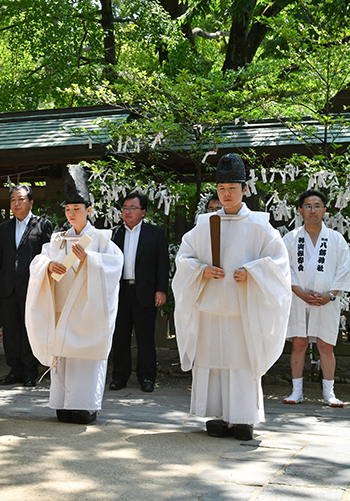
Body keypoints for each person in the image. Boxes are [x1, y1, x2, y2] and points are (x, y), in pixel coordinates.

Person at [172, 153, 291, 441]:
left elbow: (278, 264)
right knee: (213, 360)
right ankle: (218, 416)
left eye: (233, 189)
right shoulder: (205, 224)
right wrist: (201, 270)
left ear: (244, 189)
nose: (226, 194)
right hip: (211, 306)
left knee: (241, 363)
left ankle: (244, 419)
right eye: (222, 189)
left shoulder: (261, 226)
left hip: (243, 308)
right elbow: (184, 258)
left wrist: (253, 272)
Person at [26, 165, 123, 424]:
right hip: (61, 307)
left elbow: (115, 265)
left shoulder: (101, 241)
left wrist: (89, 259)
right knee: (64, 357)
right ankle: (62, 403)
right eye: (68, 209)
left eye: (77, 209)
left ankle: (86, 406)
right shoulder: (57, 240)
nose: (71, 214)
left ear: (88, 210)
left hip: (87, 310)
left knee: (85, 359)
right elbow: (37, 262)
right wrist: (48, 267)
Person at [283, 190, 350, 407]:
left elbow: (344, 269)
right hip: (298, 297)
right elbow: (285, 268)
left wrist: (330, 295)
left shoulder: (337, 239)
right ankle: (296, 391)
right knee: (299, 343)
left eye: (317, 206)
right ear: (300, 211)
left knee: (325, 345)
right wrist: (299, 292)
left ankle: (329, 393)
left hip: (327, 300)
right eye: (308, 206)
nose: (313, 210)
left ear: (325, 210)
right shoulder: (291, 239)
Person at [0, 185, 53, 387]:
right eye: (13, 200)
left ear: (31, 202)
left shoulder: (42, 225)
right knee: (10, 330)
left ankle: (29, 371)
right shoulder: (4, 227)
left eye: (21, 199)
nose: (16, 204)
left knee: (30, 329)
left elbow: (48, 256)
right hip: (8, 286)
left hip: (32, 286)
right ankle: (14, 369)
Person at [109, 192, 170, 392]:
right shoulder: (114, 234)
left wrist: (161, 290)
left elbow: (163, 264)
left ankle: (147, 378)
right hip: (120, 292)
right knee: (120, 336)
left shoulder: (155, 233)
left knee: (145, 337)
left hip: (145, 290)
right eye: (125, 208)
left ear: (142, 212)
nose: (127, 211)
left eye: (132, 208)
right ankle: (119, 377)